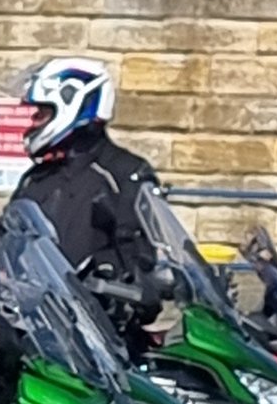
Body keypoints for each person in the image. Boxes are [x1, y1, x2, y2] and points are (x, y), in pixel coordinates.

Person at [9, 55, 167, 271]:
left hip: (99, 304)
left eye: (43, 112)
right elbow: (7, 246)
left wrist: (107, 273)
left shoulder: (125, 174)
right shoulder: (36, 178)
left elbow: (139, 258)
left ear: (73, 103)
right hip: (36, 304)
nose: (34, 121)